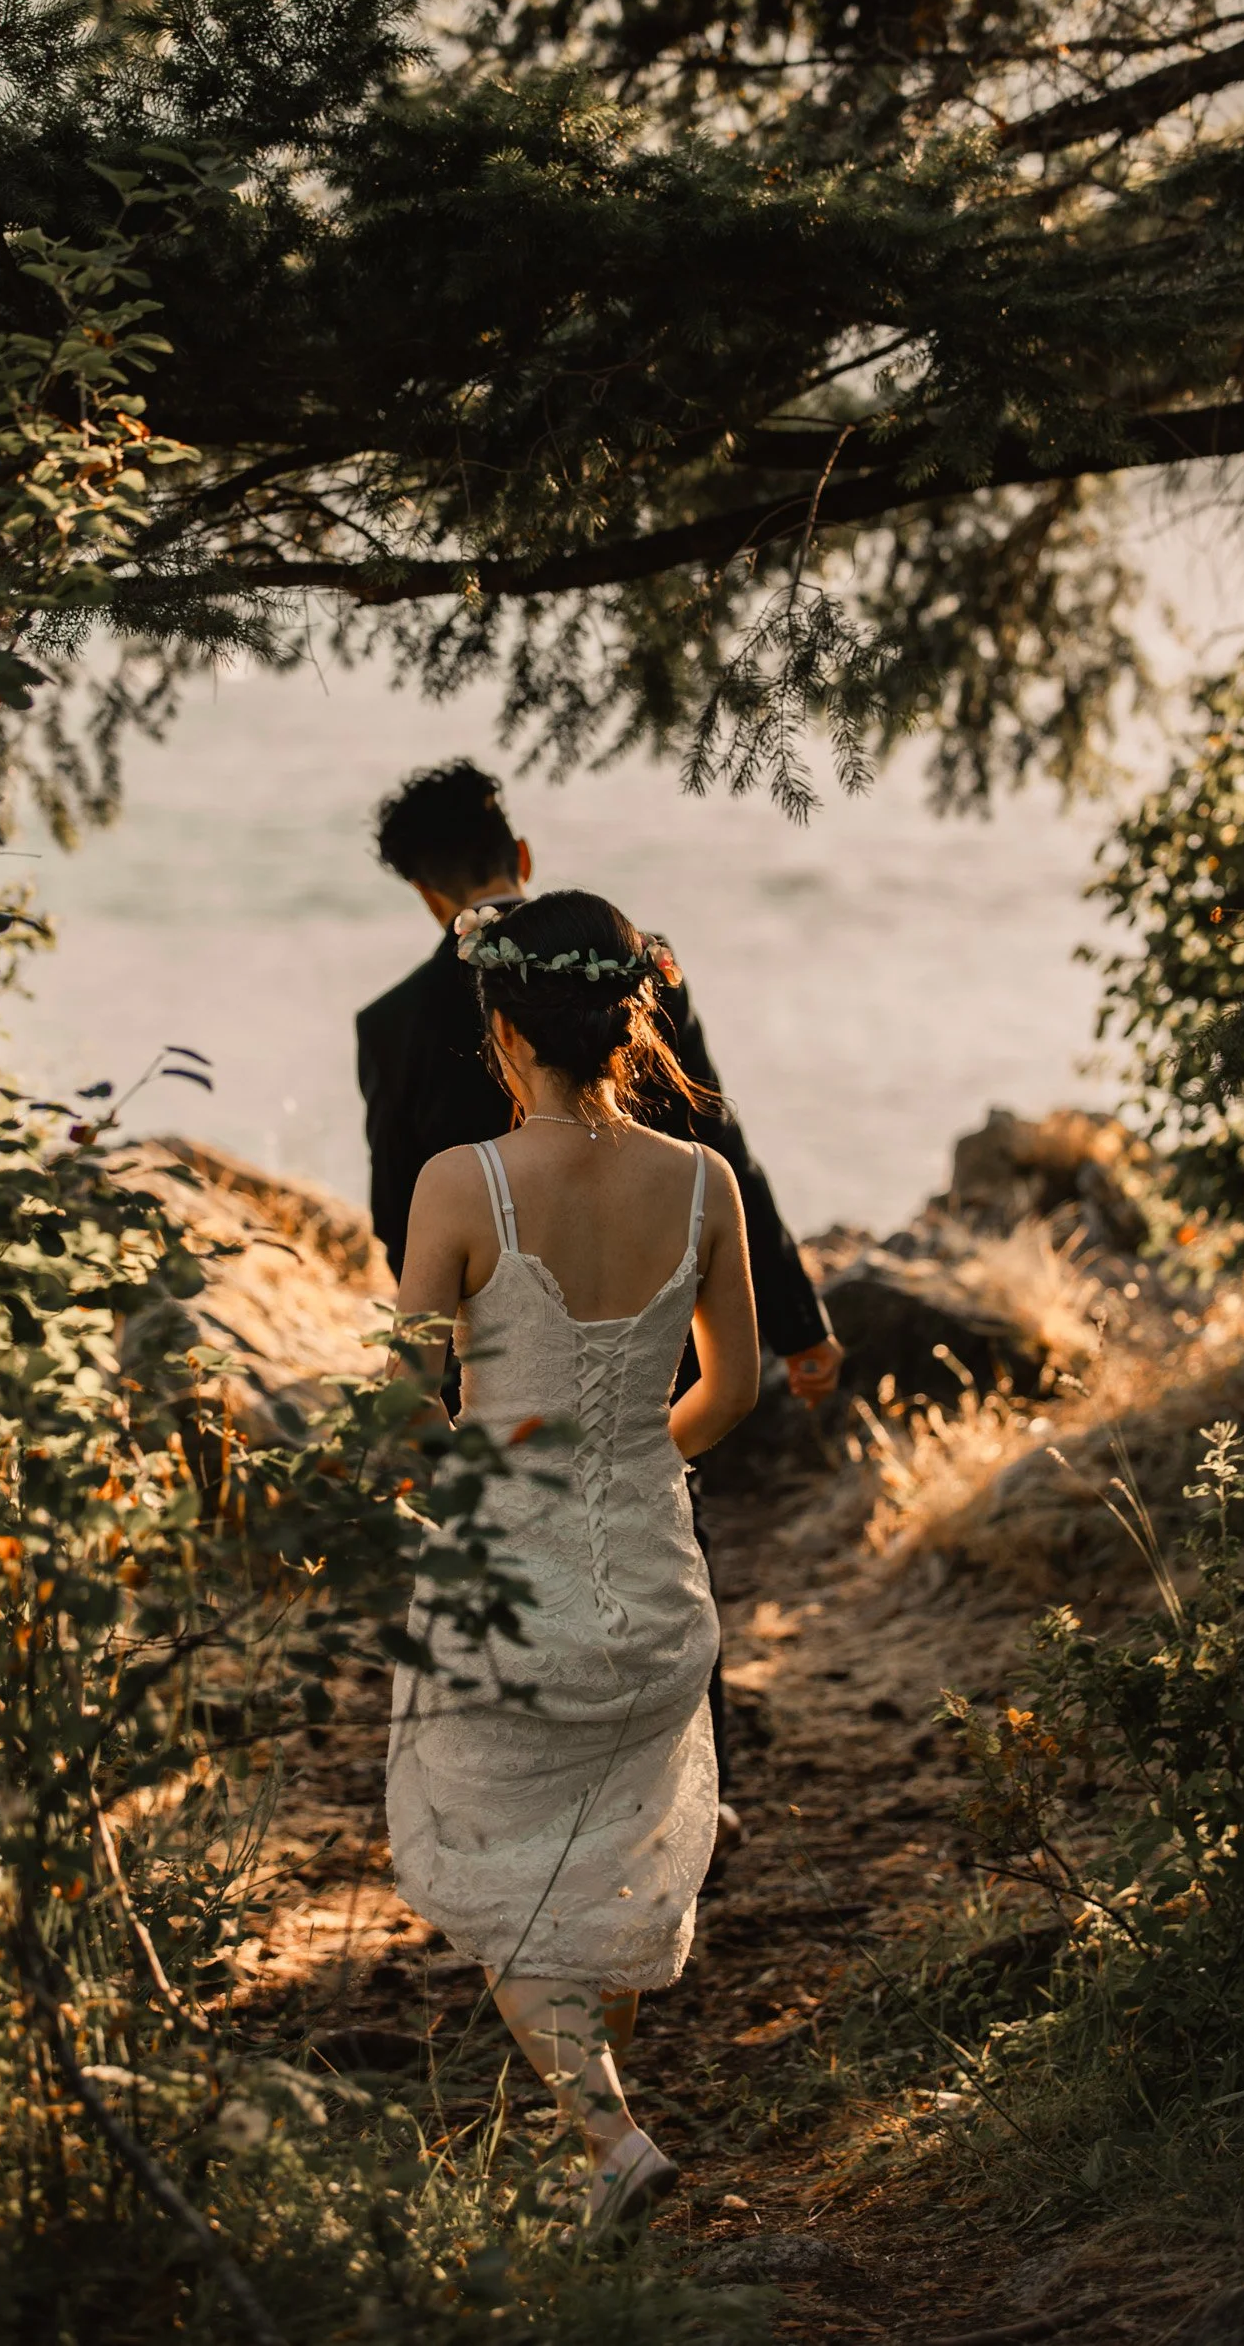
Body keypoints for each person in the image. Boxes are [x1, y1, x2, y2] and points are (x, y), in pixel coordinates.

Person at [356, 760, 842, 1825]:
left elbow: (401, 1218)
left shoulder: (391, 1022)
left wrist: (445, 1442)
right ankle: (681, 1803)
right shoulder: (626, 966)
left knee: (506, 1674)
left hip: (487, 1365)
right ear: (517, 853)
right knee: (657, 1555)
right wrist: (797, 1319)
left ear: (422, 891)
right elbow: (719, 1143)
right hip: (638, 1366)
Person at [386, 890, 762, 2227]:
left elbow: (397, 1404)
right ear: (628, 1017)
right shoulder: (702, 1182)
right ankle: (596, 2117)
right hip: (653, 1593)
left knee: (494, 1871)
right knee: (593, 1856)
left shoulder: (460, 1184)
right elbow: (731, 1390)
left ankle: (608, 2141)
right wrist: (628, 1456)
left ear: (501, 1024)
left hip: (506, 1585)